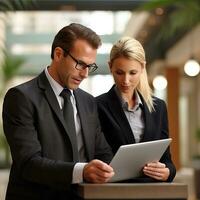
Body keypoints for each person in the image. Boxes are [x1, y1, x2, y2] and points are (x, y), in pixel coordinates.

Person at [2, 23, 114, 200]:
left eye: (90, 66)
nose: (85, 74)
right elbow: (29, 163)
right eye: (80, 64)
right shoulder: (21, 98)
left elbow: (103, 153)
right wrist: (82, 171)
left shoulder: (88, 102)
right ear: (58, 54)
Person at [96, 37, 176, 182]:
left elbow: (167, 160)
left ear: (143, 68)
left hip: (151, 191)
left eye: (133, 73)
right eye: (119, 72)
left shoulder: (158, 107)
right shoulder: (97, 106)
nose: (126, 81)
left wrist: (167, 172)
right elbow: (95, 156)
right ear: (110, 67)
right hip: (114, 190)